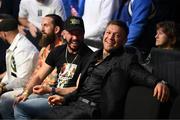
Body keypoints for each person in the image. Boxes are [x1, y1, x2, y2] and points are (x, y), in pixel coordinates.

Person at [14, 20, 169, 119]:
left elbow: (141, 74)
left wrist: (158, 82)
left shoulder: (126, 60)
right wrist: (64, 98)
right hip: (74, 105)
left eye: (117, 35)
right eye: (108, 33)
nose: (110, 37)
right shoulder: (94, 56)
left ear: (124, 40)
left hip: (93, 112)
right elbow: (81, 88)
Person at [13, 16, 93, 119]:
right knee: (12, 102)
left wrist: (51, 89)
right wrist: (26, 92)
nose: (75, 38)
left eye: (79, 33)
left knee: (21, 109)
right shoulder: (58, 51)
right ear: (64, 34)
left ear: (83, 34)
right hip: (52, 95)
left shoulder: (89, 56)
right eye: (72, 33)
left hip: (69, 101)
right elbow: (39, 76)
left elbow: (79, 89)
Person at [0, 14, 64, 119]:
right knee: (11, 99)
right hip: (36, 89)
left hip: (50, 92)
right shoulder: (45, 49)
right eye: (42, 25)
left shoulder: (62, 50)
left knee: (9, 100)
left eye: (46, 25)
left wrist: (6, 88)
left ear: (56, 29)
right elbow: (36, 75)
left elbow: (53, 81)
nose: (42, 29)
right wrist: (26, 92)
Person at [0, 14, 39, 119]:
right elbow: (11, 72)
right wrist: (2, 83)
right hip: (17, 86)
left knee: (4, 99)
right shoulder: (16, 45)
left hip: (28, 89)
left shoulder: (23, 48)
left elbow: (23, 79)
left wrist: (4, 88)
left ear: (4, 34)